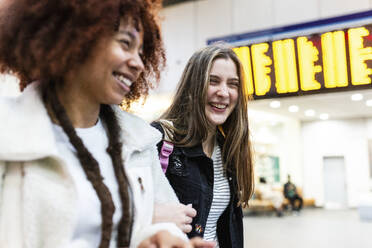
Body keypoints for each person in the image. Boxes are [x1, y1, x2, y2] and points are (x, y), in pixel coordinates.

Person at [0, 0, 215, 247]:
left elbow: (169, 225)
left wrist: (158, 239)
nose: (138, 63)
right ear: (76, 37)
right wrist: (144, 218)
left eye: (141, 52)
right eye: (126, 44)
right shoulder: (8, 135)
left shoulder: (140, 141)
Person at [151, 44, 254, 248]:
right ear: (193, 86)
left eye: (233, 84)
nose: (224, 92)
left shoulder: (228, 149)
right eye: (213, 81)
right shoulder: (160, 140)